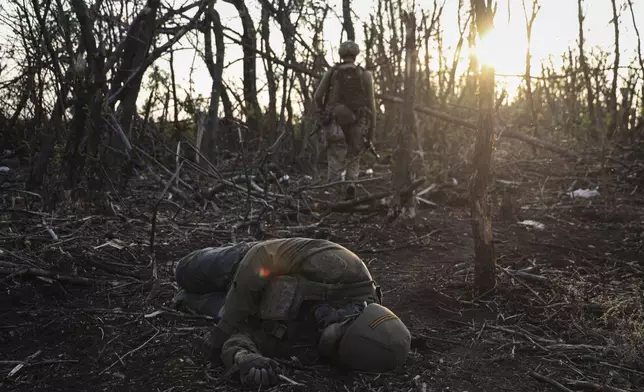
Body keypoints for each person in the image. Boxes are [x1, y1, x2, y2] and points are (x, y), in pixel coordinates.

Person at [172, 238, 411, 388]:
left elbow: (245, 338)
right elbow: (264, 256)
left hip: (245, 309)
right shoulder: (347, 269)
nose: (322, 326)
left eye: (331, 345)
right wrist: (224, 327)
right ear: (356, 312)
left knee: (184, 299)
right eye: (338, 325)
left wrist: (244, 359)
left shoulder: (313, 347)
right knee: (183, 270)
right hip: (246, 265)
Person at [314, 41, 377, 200]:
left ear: (341, 55)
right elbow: (372, 106)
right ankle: (351, 185)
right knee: (354, 155)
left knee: (335, 155)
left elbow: (317, 97)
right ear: (356, 55)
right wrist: (370, 133)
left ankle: (335, 194)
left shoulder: (332, 72)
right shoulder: (365, 75)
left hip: (334, 120)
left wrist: (323, 111)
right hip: (358, 120)